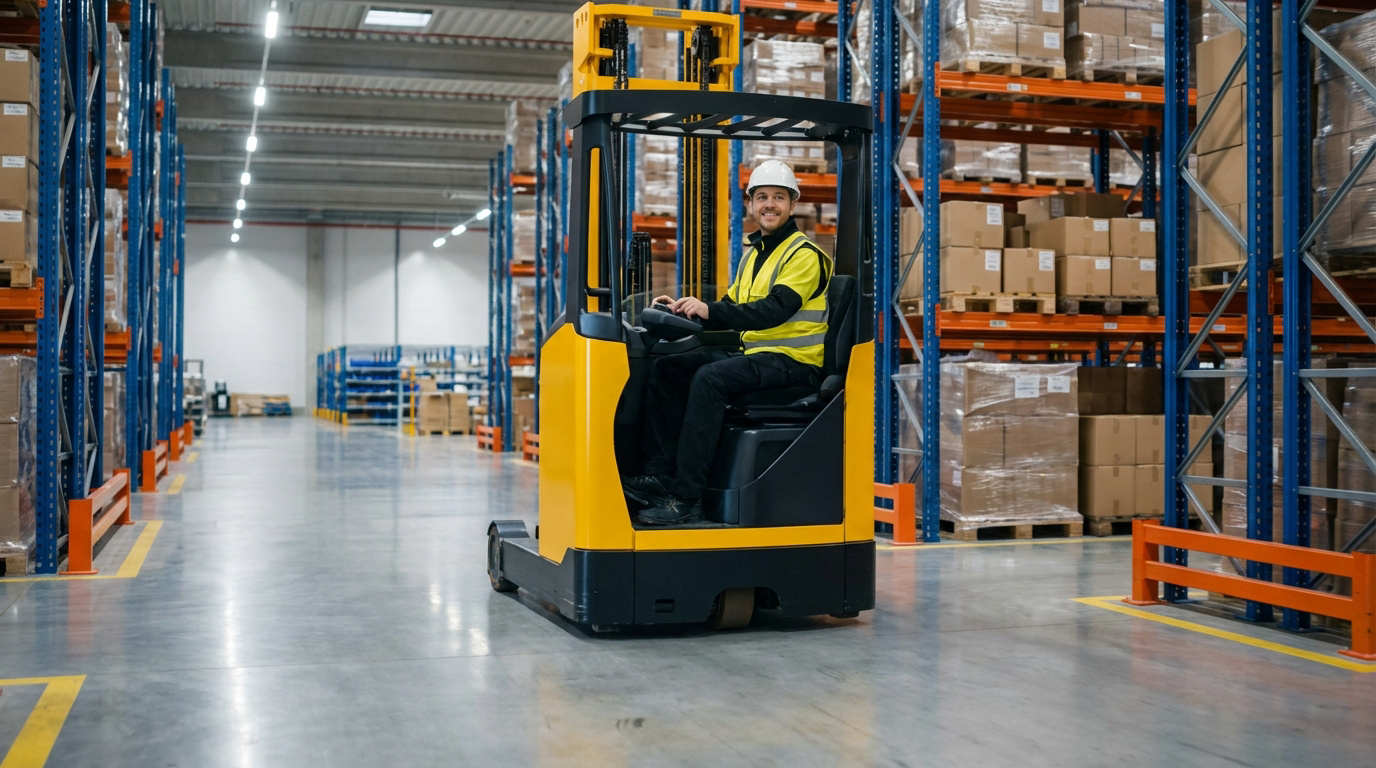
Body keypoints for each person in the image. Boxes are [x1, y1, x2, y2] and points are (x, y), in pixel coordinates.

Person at [624, 159, 833, 526]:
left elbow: (773, 310)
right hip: (757, 356)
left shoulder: (805, 256)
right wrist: (685, 309)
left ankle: (687, 499)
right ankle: (660, 476)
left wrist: (711, 312)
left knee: (711, 378)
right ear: (750, 204)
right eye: (762, 197)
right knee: (669, 369)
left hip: (794, 364)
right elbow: (733, 306)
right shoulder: (755, 255)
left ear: (792, 204)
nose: (770, 204)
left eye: (779, 197)